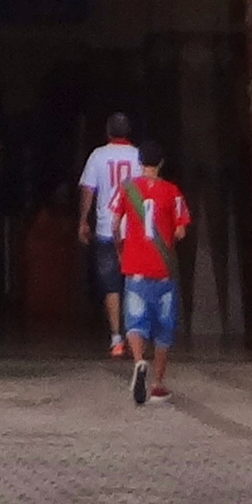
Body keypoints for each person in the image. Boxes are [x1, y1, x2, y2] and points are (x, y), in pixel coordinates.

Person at [114, 151, 195, 406]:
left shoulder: (127, 189)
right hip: (163, 272)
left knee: (134, 324)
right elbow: (181, 231)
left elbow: (114, 223)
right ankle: (158, 385)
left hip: (136, 267)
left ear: (140, 163)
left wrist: (120, 249)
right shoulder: (172, 192)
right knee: (163, 331)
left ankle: (139, 361)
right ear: (161, 163)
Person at [74, 113, 143, 363]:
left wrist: (83, 220)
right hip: (133, 230)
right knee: (135, 283)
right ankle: (136, 334)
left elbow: (88, 190)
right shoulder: (138, 156)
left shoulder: (98, 156)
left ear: (107, 131)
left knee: (111, 284)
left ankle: (116, 339)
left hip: (105, 230)